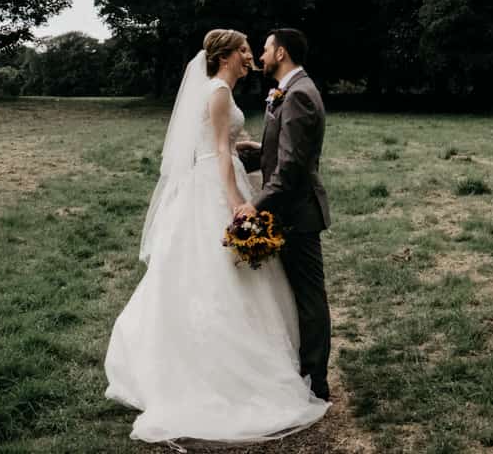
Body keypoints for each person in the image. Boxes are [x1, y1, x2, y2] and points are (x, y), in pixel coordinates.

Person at [104, 29, 329, 446]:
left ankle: (308, 373)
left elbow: (228, 146)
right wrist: (236, 201)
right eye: (244, 49)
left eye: (259, 48)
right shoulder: (221, 92)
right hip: (219, 185)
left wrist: (245, 159)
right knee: (224, 275)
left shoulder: (246, 91)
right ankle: (235, 368)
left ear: (280, 52)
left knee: (223, 274)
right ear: (225, 56)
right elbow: (219, 151)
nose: (252, 55)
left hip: (228, 182)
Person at [234, 27, 332, 400]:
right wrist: (256, 151)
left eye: (265, 49)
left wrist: (254, 205)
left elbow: (291, 168)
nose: (260, 55)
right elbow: (288, 153)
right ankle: (304, 370)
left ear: (281, 53)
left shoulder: (298, 95)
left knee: (308, 297)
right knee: (296, 294)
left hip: (297, 213)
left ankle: (316, 382)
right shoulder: (289, 91)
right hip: (291, 209)